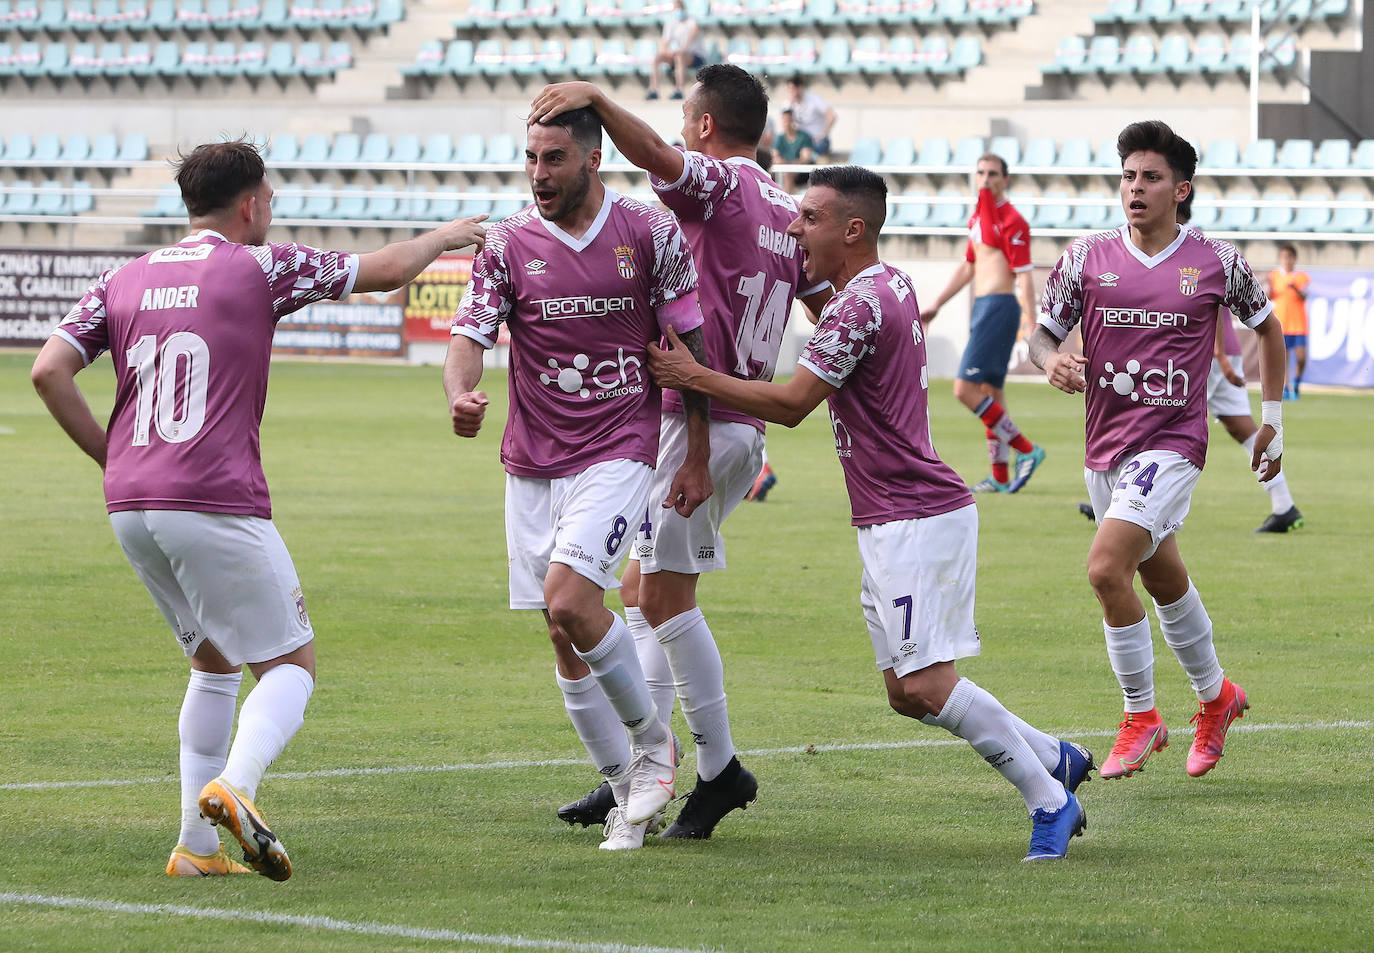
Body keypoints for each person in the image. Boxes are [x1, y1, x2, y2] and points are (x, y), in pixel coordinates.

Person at [29, 138, 487, 880]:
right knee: (292, 666)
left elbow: (48, 370)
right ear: (250, 204)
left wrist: (114, 460)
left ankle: (196, 848)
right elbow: (387, 272)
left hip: (132, 504)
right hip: (212, 496)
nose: (271, 209)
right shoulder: (259, 264)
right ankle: (236, 788)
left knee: (213, 661)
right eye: (269, 198)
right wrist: (449, 235)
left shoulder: (124, 276)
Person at [650, 165, 1093, 862]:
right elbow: (826, 322)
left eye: (810, 219)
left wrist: (694, 376)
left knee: (926, 681)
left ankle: (1050, 800)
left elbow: (794, 402)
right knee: (904, 692)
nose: (795, 228)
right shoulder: (887, 286)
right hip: (892, 515)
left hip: (914, 515)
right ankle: (1052, 753)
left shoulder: (859, 304)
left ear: (853, 229)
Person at [528, 66, 831, 846]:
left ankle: (720, 766)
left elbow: (655, 159)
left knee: (664, 600)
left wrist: (595, 100)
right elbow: (823, 304)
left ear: (703, 125)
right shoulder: (785, 211)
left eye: (683, 120)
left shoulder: (724, 185)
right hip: (739, 414)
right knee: (641, 591)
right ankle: (636, 772)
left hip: (698, 410)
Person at [444, 107, 713, 850]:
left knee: (573, 597)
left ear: (593, 158)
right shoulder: (505, 242)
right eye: (531, 157)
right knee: (560, 631)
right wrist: (459, 394)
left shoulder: (650, 232)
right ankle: (629, 788)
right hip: (532, 458)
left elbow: (688, 345)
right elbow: (468, 335)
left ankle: (655, 746)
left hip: (618, 444)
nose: (538, 174)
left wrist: (694, 452)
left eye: (554, 158)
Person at [1029, 120, 1287, 782]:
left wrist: (1272, 421)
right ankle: (1217, 697)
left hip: (1172, 446)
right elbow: (1041, 337)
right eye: (1128, 176)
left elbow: (1269, 328)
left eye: (1150, 177)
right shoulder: (1086, 257)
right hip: (1104, 451)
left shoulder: (1217, 261)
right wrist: (1050, 360)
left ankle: (1141, 716)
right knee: (1161, 575)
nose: (1136, 188)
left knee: (1105, 568)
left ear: (1181, 189)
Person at [1078, 194, 1304, 534]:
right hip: (1212, 354)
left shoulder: (1195, 250)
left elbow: (1206, 311)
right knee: (1238, 425)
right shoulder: (1178, 246)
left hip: (1205, 356)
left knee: (1157, 415)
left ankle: (1125, 503)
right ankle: (1283, 503)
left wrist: (1221, 357)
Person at [922, 153, 1044, 494]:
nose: (986, 178)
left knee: (965, 389)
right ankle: (1001, 477)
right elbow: (969, 266)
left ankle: (1027, 450)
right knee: (991, 392)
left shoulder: (1012, 220)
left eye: (992, 173)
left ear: (1005, 180)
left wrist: (1032, 322)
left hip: (1000, 307)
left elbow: (1024, 275)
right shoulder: (979, 217)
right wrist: (937, 304)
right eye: (980, 172)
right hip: (984, 306)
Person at [1268, 243, 1310, 400]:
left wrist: (1296, 288)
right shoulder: (1275, 276)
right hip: (1282, 322)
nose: (1287, 260)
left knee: (1301, 358)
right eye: (1284, 257)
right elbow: (1269, 296)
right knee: (1283, 359)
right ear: (1281, 259)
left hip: (1299, 324)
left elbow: (1305, 296)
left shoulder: (1301, 277)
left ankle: (1297, 382)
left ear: (1294, 259)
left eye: (1290, 257)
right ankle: (1285, 387)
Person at [648, 0, 703, 101]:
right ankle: (654, 90)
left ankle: (679, 90)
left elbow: (693, 34)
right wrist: (668, 51)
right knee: (658, 57)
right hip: (677, 55)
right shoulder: (671, 22)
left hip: (694, 56)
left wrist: (681, 50)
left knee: (679, 56)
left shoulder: (691, 20)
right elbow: (665, 42)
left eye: (679, 8)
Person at [782, 74, 835, 157]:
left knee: (810, 151)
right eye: (789, 89)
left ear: (800, 87)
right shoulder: (788, 103)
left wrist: (823, 135)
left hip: (817, 141)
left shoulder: (814, 99)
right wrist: (791, 105)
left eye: (793, 89)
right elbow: (785, 123)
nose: (791, 92)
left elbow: (831, 116)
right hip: (800, 141)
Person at [772, 107, 815, 192]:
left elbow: (805, 159)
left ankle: (786, 202)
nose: (786, 123)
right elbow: (774, 157)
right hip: (783, 169)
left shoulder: (804, 137)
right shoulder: (779, 138)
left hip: (801, 171)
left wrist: (787, 164)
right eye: (784, 120)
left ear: (794, 121)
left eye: (789, 120)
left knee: (787, 174)